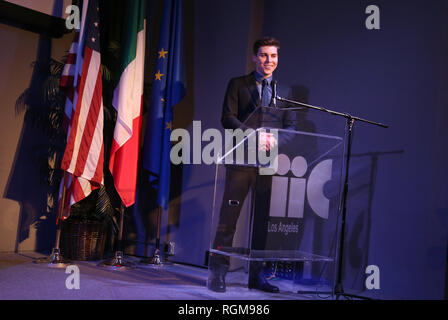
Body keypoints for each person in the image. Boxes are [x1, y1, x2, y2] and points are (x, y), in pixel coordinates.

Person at [208, 37, 296, 293]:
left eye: (274, 56)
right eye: (264, 55)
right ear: (254, 57)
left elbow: (291, 126)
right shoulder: (238, 84)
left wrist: (274, 140)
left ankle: (257, 276)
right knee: (228, 221)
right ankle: (218, 274)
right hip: (240, 161)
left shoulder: (285, 90)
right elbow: (227, 117)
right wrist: (254, 135)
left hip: (267, 163)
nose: (269, 61)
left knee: (261, 224)